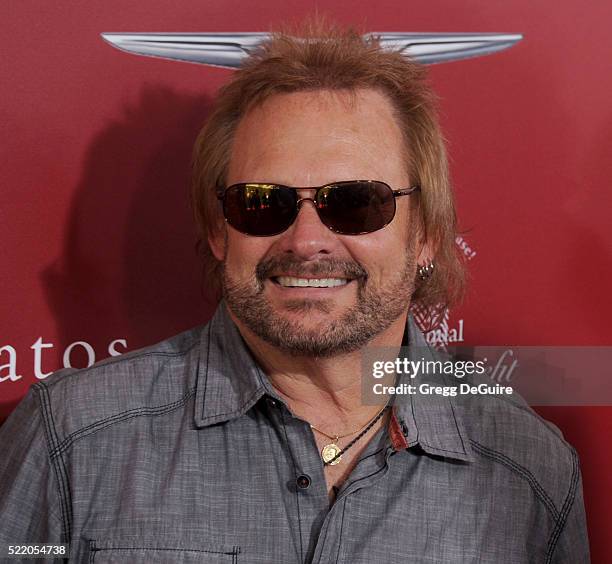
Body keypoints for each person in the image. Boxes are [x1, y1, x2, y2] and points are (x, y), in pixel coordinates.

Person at [0, 22, 589, 563]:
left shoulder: (528, 471)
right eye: (263, 202)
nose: (307, 240)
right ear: (218, 229)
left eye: (356, 202)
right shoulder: (74, 441)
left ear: (427, 235)